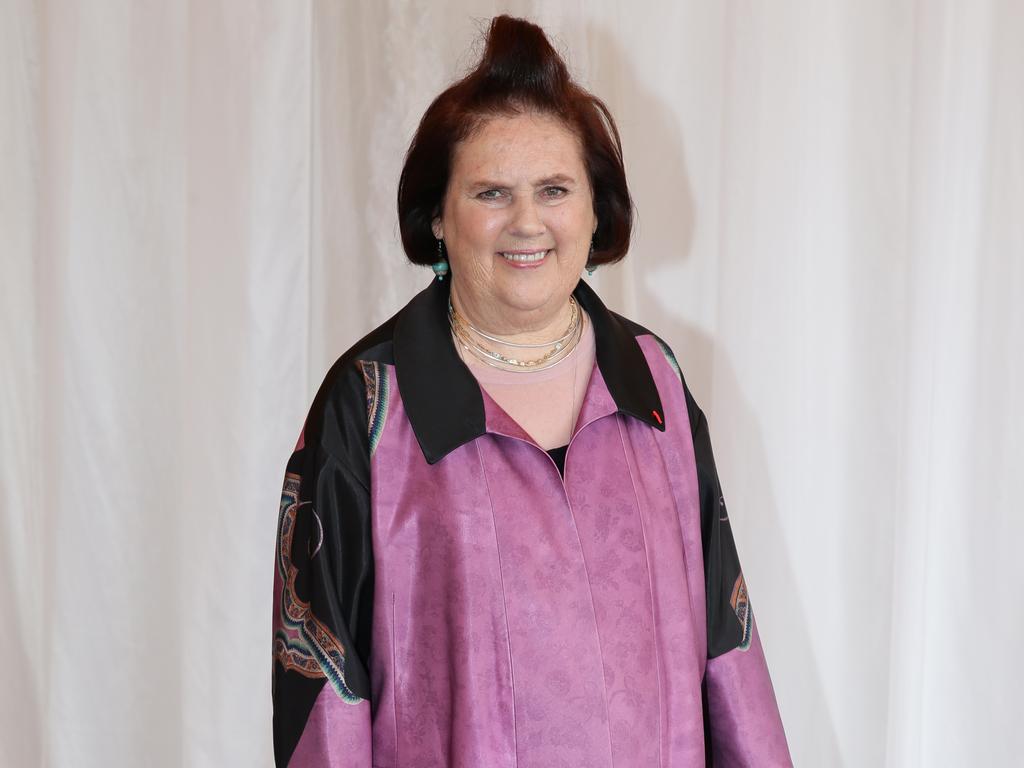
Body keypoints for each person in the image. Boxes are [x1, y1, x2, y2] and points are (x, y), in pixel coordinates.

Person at [272, 15, 791, 767]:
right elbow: (324, 692)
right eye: (490, 192)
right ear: (438, 219)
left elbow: (728, 648)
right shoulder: (370, 407)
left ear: (593, 210)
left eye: (554, 189)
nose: (527, 223)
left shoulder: (653, 386)